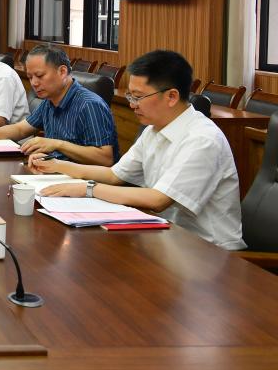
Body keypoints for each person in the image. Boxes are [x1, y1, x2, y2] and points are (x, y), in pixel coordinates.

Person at [36, 50, 245, 250]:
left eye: (138, 97)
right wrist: (57, 165)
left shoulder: (202, 139)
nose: (132, 105)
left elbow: (158, 200)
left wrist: (87, 189)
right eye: (130, 96)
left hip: (208, 251)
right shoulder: (154, 129)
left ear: (171, 96)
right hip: (165, 236)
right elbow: (114, 175)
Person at [0, 44, 118, 165]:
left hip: (83, 184)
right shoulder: (49, 101)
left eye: (39, 75)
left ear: (62, 72)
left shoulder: (89, 105)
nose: (34, 83)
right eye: (30, 77)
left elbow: (105, 158)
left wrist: (57, 144)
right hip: (52, 172)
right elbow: (20, 129)